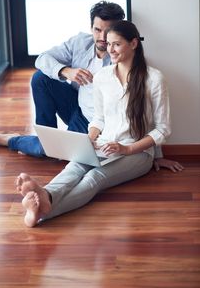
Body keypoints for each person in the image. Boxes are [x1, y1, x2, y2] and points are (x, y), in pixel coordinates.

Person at [0, 1, 183, 172]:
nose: (102, 38)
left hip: (94, 122)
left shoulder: (123, 57)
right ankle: (45, 135)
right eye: (97, 30)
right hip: (74, 104)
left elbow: (143, 110)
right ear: (90, 28)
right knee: (40, 78)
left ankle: (13, 140)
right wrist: (65, 71)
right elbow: (42, 59)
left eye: (108, 31)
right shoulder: (79, 43)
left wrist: (155, 155)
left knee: (56, 152)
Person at [16, 20, 173, 227]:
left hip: (137, 153)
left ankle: (45, 211)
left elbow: (163, 128)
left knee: (94, 178)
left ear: (133, 43)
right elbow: (99, 119)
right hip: (104, 143)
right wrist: (89, 140)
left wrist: (127, 149)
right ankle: (45, 195)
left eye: (116, 44)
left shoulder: (154, 79)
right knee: (74, 167)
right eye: (108, 44)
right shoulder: (102, 77)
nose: (111, 50)